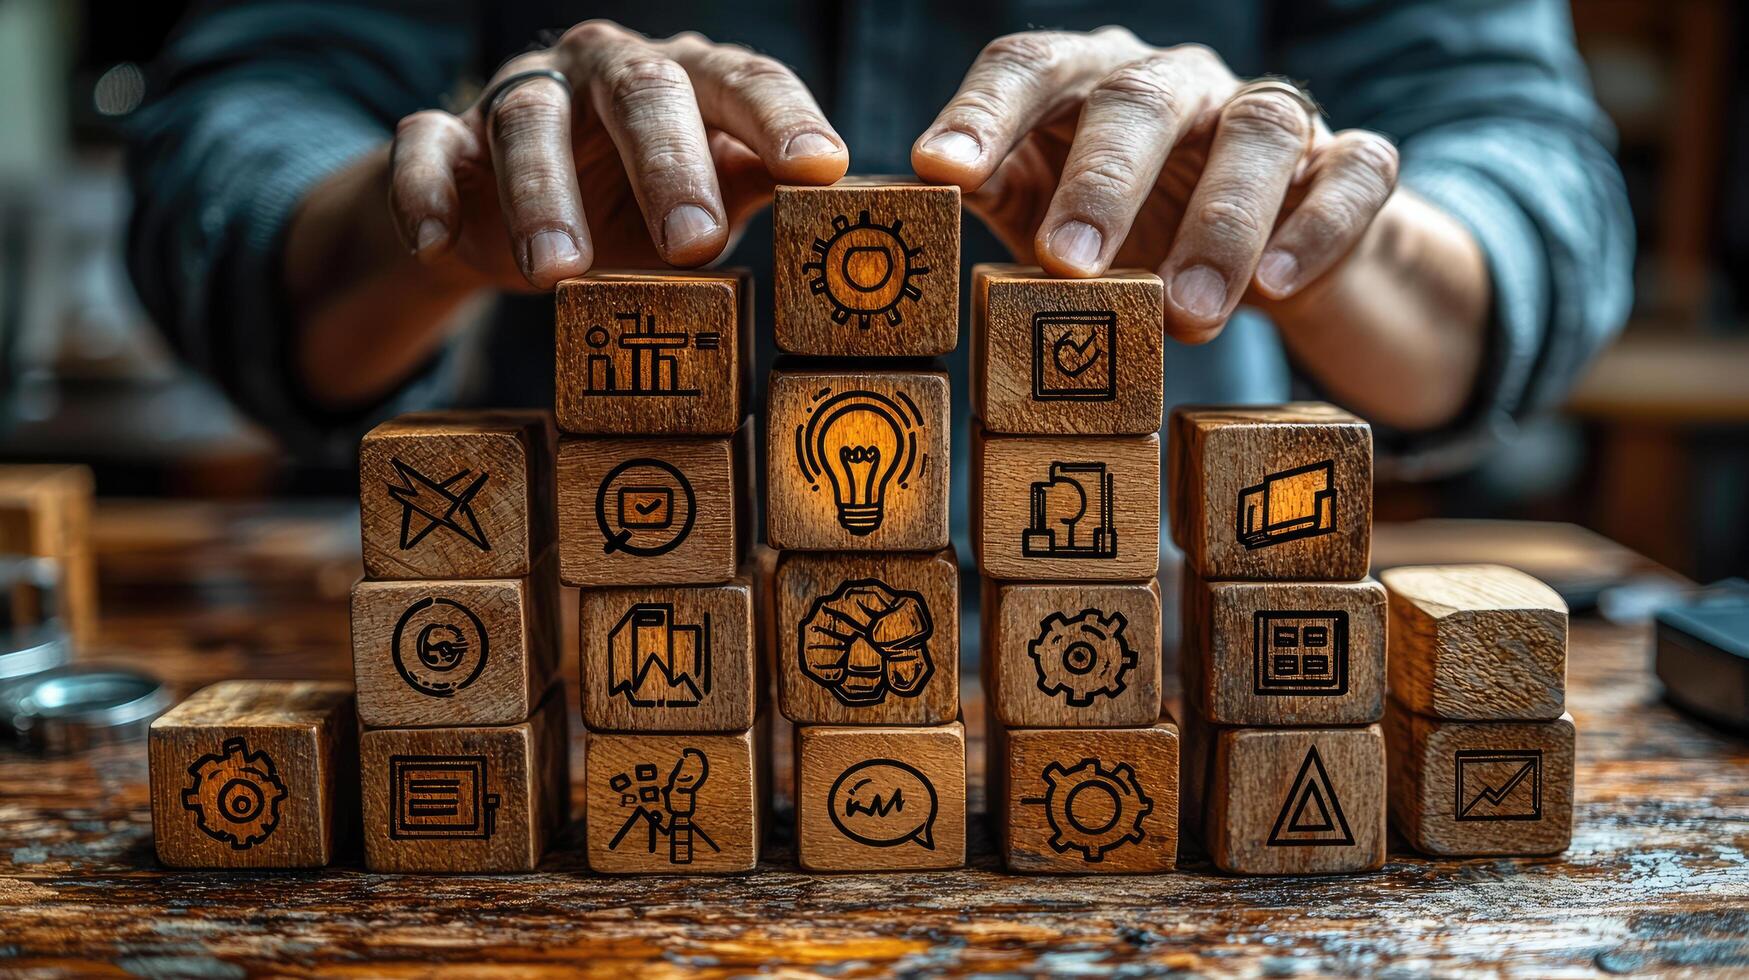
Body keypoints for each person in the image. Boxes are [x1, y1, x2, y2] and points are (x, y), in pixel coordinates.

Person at [127, 1, 1631, 482]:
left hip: (1157, 635)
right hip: (589, 614)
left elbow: (1528, 173)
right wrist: (449, 212)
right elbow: (245, 115)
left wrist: (1321, 227)